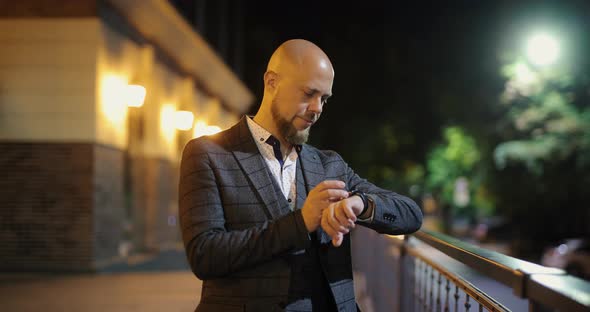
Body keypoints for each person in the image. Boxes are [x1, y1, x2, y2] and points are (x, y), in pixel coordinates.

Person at [179, 39, 423, 312]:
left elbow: (411, 215)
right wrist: (301, 222)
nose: (318, 108)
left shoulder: (330, 165)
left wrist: (360, 204)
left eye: (324, 98)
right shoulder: (208, 154)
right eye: (309, 93)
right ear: (271, 82)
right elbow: (204, 255)